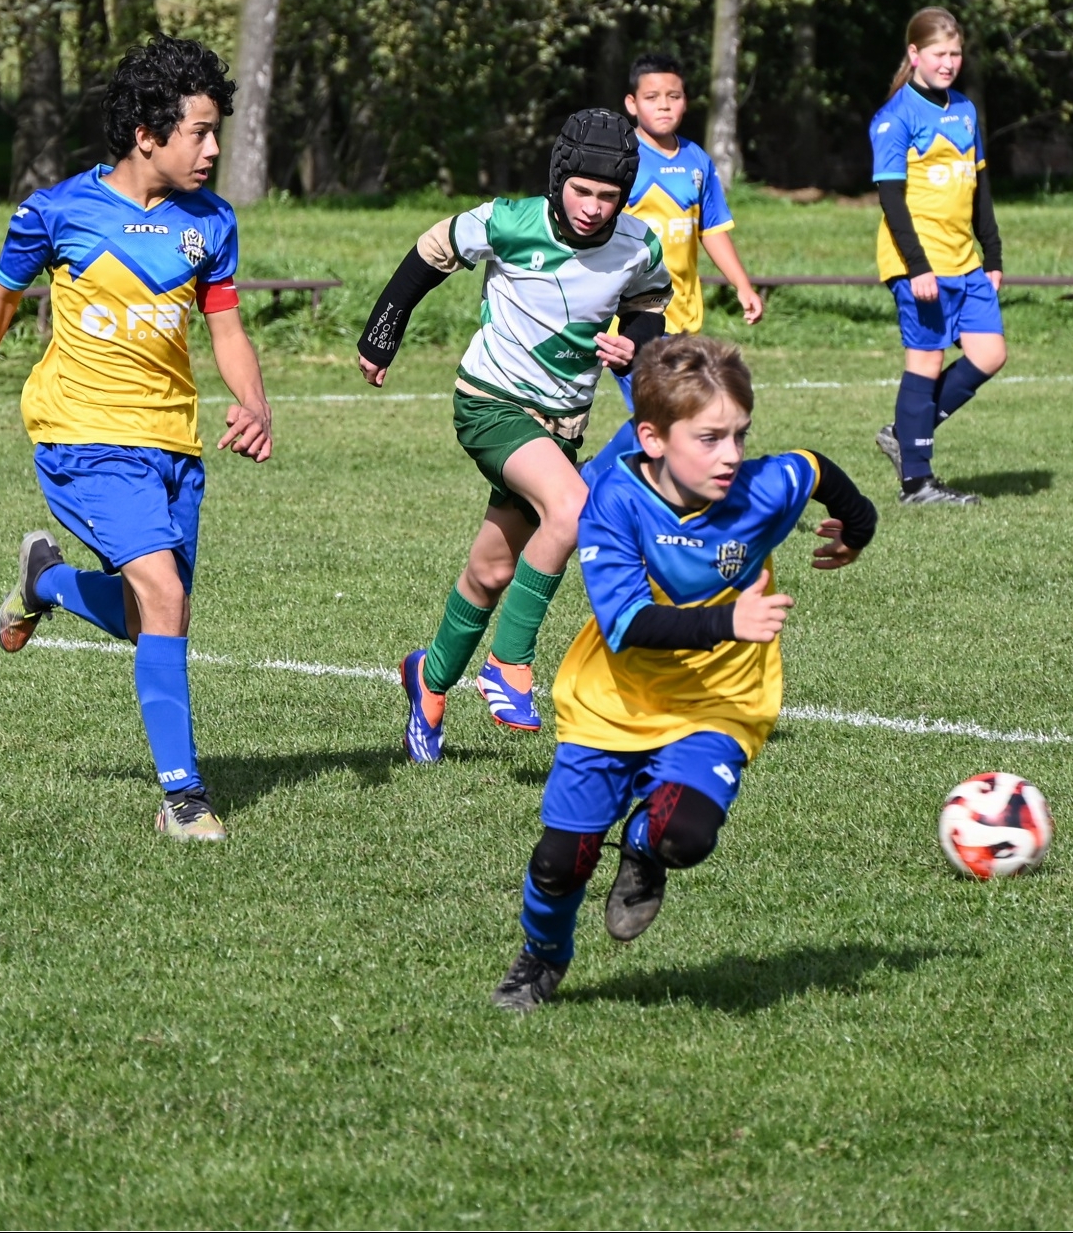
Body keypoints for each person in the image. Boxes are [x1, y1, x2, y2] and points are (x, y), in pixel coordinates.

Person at [0, 36, 272, 842]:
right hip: (82, 437)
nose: (212, 149)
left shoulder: (212, 222)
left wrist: (253, 402)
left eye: (215, 133)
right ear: (147, 134)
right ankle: (183, 798)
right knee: (165, 597)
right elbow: (1, 296)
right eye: (199, 132)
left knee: (155, 618)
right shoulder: (57, 211)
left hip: (172, 444)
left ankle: (45, 583)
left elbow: (225, 325)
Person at [490, 335, 879, 1012]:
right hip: (613, 701)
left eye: (739, 435)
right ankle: (543, 956)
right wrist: (730, 622)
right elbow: (627, 623)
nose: (731, 455)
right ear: (653, 438)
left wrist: (859, 525)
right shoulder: (613, 500)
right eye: (709, 438)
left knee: (683, 835)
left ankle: (643, 850)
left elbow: (814, 469)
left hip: (720, 702)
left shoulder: (762, 487)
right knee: (560, 862)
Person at [356, 109, 672, 763]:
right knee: (573, 508)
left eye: (608, 196)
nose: (593, 207)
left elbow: (649, 307)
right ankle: (508, 663)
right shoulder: (507, 221)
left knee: (492, 570)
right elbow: (429, 253)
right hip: (491, 404)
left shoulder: (638, 245)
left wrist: (635, 346)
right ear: (558, 180)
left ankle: (429, 681)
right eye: (581, 191)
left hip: (560, 426)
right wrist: (382, 333)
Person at [582, 52, 764, 485]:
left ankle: (592, 478)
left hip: (681, 316)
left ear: (686, 101)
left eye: (674, 96)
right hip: (631, 319)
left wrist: (742, 285)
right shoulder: (621, 160)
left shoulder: (697, 161)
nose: (664, 105)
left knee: (667, 415)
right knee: (668, 415)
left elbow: (711, 229)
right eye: (652, 97)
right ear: (631, 103)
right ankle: (594, 481)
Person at [869, 7, 1006, 506]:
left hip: (964, 259)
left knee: (990, 354)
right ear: (915, 55)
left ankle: (905, 433)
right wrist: (918, 267)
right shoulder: (895, 117)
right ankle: (917, 484)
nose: (948, 63)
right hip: (919, 261)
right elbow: (890, 199)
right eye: (938, 54)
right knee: (926, 361)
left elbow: (979, 187)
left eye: (955, 54)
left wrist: (992, 254)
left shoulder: (965, 110)